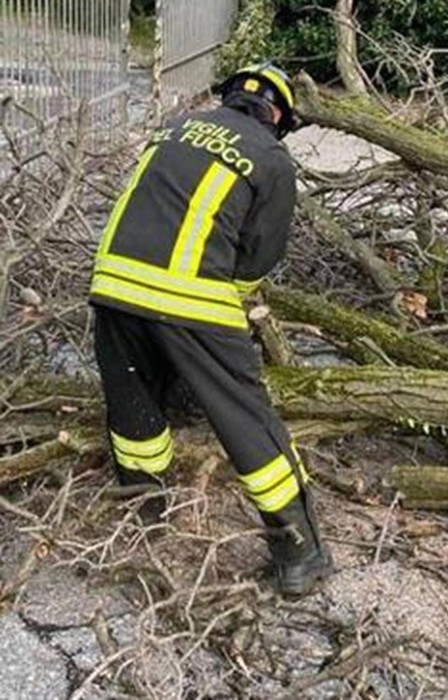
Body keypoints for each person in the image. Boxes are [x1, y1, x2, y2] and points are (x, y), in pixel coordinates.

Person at [88, 61, 334, 596]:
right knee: (245, 415)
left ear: (227, 98)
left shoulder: (172, 129)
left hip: (112, 285)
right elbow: (258, 260)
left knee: (133, 398)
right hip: (190, 294)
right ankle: (300, 548)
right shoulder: (270, 156)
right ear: (278, 116)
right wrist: (227, 319)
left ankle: (144, 504)